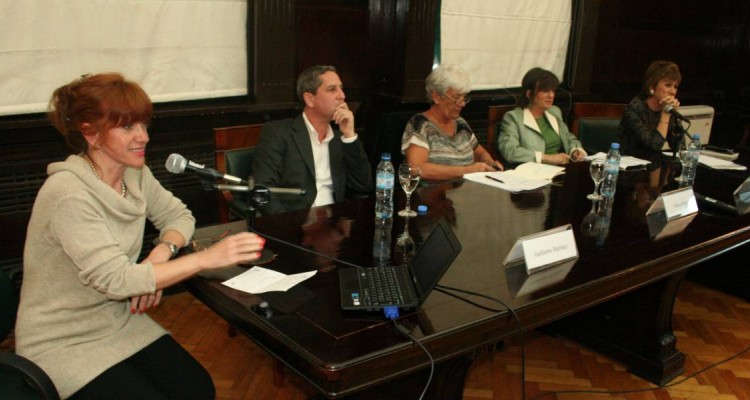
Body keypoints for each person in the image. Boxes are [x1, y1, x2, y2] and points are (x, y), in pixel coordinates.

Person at [15, 73, 265, 400]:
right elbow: (118, 281)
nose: (143, 136)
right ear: (91, 134)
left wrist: (159, 254)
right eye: (128, 127)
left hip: (117, 321)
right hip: (62, 341)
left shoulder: (134, 173)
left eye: (144, 125)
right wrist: (206, 259)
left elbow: (179, 216)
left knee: (197, 389)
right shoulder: (68, 194)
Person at [251, 65, 373, 215]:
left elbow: (362, 187)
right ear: (310, 99)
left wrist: (349, 136)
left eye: (341, 88)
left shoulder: (340, 139)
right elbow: (263, 190)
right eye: (332, 89)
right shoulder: (278, 133)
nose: (342, 95)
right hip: (294, 223)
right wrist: (287, 226)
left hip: (335, 222)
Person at [401, 64, 503, 181]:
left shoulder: (460, 123)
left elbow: (480, 153)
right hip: (432, 194)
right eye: (456, 98)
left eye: (464, 97)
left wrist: (489, 163)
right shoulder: (420, 125)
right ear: (436, 97)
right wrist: (468, 170)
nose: (462, 103)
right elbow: (416, 168)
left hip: (464, 192)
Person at [497, 67, 586, 166]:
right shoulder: (513, 118)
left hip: (562, 169)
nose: (551, 95)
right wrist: (547, 158)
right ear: (529, 93)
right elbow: (510, 151)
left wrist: (575, 150)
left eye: (553, 91)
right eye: (545, 91)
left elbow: (568, 137)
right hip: (534, 172)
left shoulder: (555, 111)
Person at [618, 60, 684, 171]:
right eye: (668, 85)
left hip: (654, 168)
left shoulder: (666, 109)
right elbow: (654, 146)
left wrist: (675, 118)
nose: (673, 91)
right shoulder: (633, 109)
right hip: (629, 171)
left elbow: (679, 147)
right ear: (652, 86)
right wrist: (665, 114)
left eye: (675, 86)